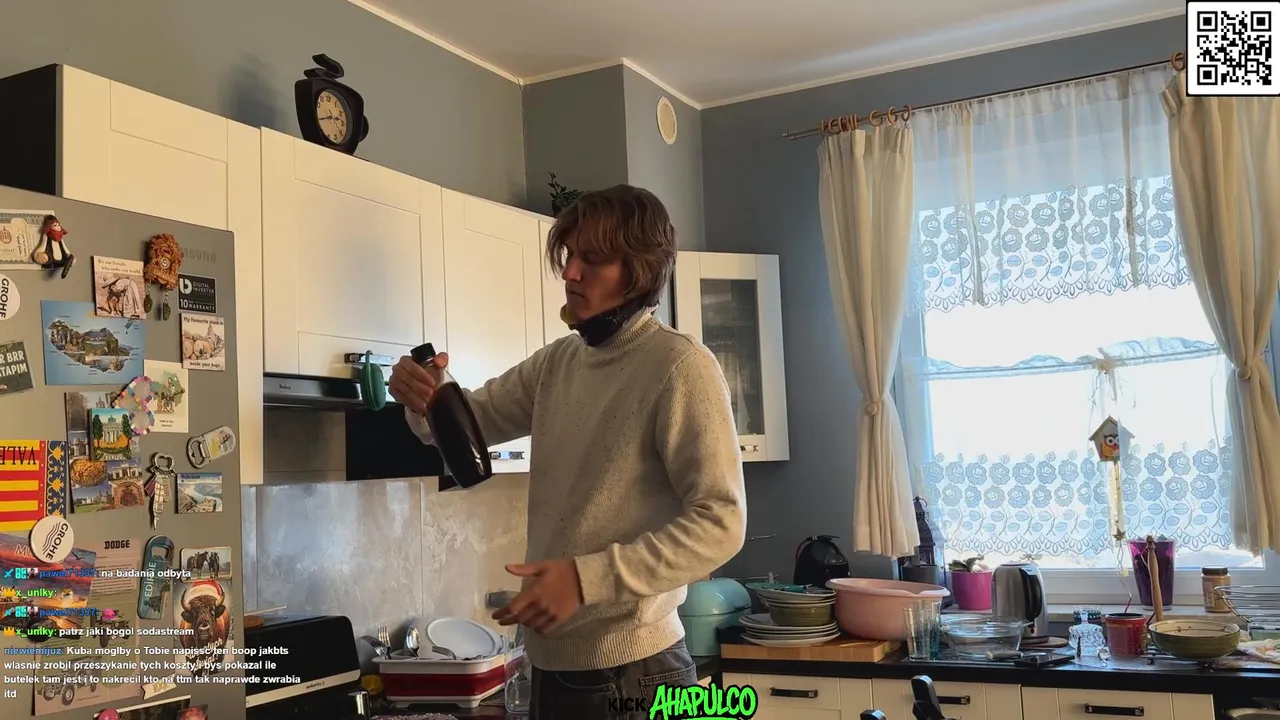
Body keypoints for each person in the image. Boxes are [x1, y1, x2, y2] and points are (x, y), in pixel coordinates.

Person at [388, 184, 746, 718]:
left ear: (638, 272)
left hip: (639, 672)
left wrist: (585, 579)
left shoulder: (680, 366)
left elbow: (722, 523)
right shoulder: (558, 363)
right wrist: (427, 396)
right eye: (570, 255)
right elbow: (470, 424)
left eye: (592, 260)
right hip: (553, 670)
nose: (571, 273)